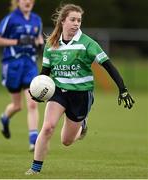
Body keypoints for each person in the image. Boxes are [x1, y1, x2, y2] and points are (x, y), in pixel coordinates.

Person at [25, 3, 135, 174]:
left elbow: (109, 66)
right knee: (47, 127)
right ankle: (35, 169)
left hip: (81, 96)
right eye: (73, 20)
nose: (76, 23)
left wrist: (123, 88)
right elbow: (44, 73)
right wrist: (37, 90)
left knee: (66, 141)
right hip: (59, 92)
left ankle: (82, 125)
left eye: (79, 20)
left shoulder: (87, 44)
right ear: (63, 21)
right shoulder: (51, 45)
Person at [0, 0, 44, 151]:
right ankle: (4, 118)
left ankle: (33, 140)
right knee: (17, 106)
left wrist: (40, 43)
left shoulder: (37, 19)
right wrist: (17, 41)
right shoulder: (10, 19)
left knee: (32, 103)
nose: (28, 2)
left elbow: (39, 39)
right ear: (18, 2)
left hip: (30, 65)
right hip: (12, 65)